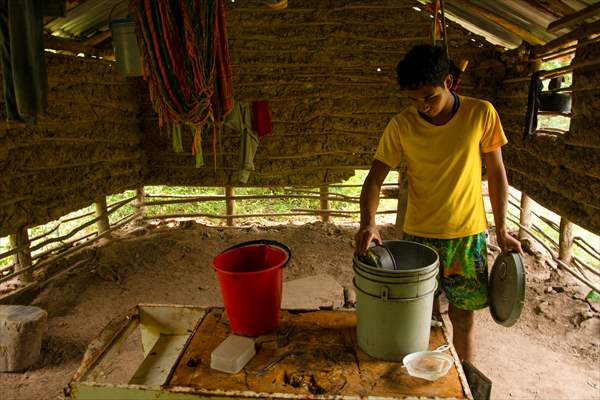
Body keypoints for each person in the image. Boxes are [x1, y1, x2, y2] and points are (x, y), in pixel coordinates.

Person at [355, 44, 522, 363]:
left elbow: (497, 172)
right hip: (419, 240)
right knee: (421, 319)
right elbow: (374, 178)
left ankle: (465, 382)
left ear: (448, 81)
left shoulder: (481, 113)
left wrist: (502, 229)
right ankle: (423, 378)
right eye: (413, 99)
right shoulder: (401, 125)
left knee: (463, 320)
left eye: (428, 96)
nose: (421, 106)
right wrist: (368, 222)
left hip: (468, 239)